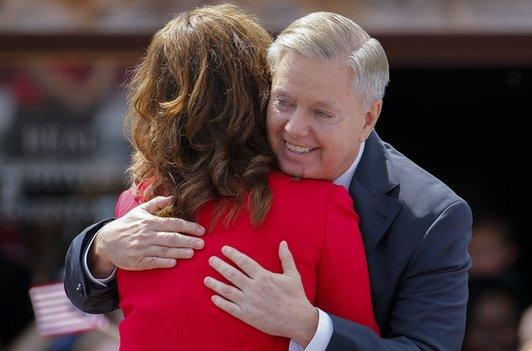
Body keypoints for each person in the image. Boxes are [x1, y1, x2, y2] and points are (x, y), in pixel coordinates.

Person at [65, 9, 472, 351]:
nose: (294, 129)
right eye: (283, 102)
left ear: (369, 117)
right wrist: (101, 248)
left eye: (321, 113)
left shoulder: (432, 216)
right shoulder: (225, 168)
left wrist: (311, 326)